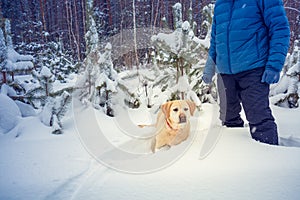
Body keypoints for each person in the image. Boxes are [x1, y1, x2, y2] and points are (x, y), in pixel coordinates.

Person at [202, 0, 290, 145]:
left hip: (254, 69)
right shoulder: (220, 4)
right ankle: (236, 154)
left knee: (258, 118)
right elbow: (216, 40)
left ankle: (269, 156)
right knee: (228, 118)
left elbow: (280, 29)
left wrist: (274, 65)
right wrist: (209, 67)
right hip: (225, 74)